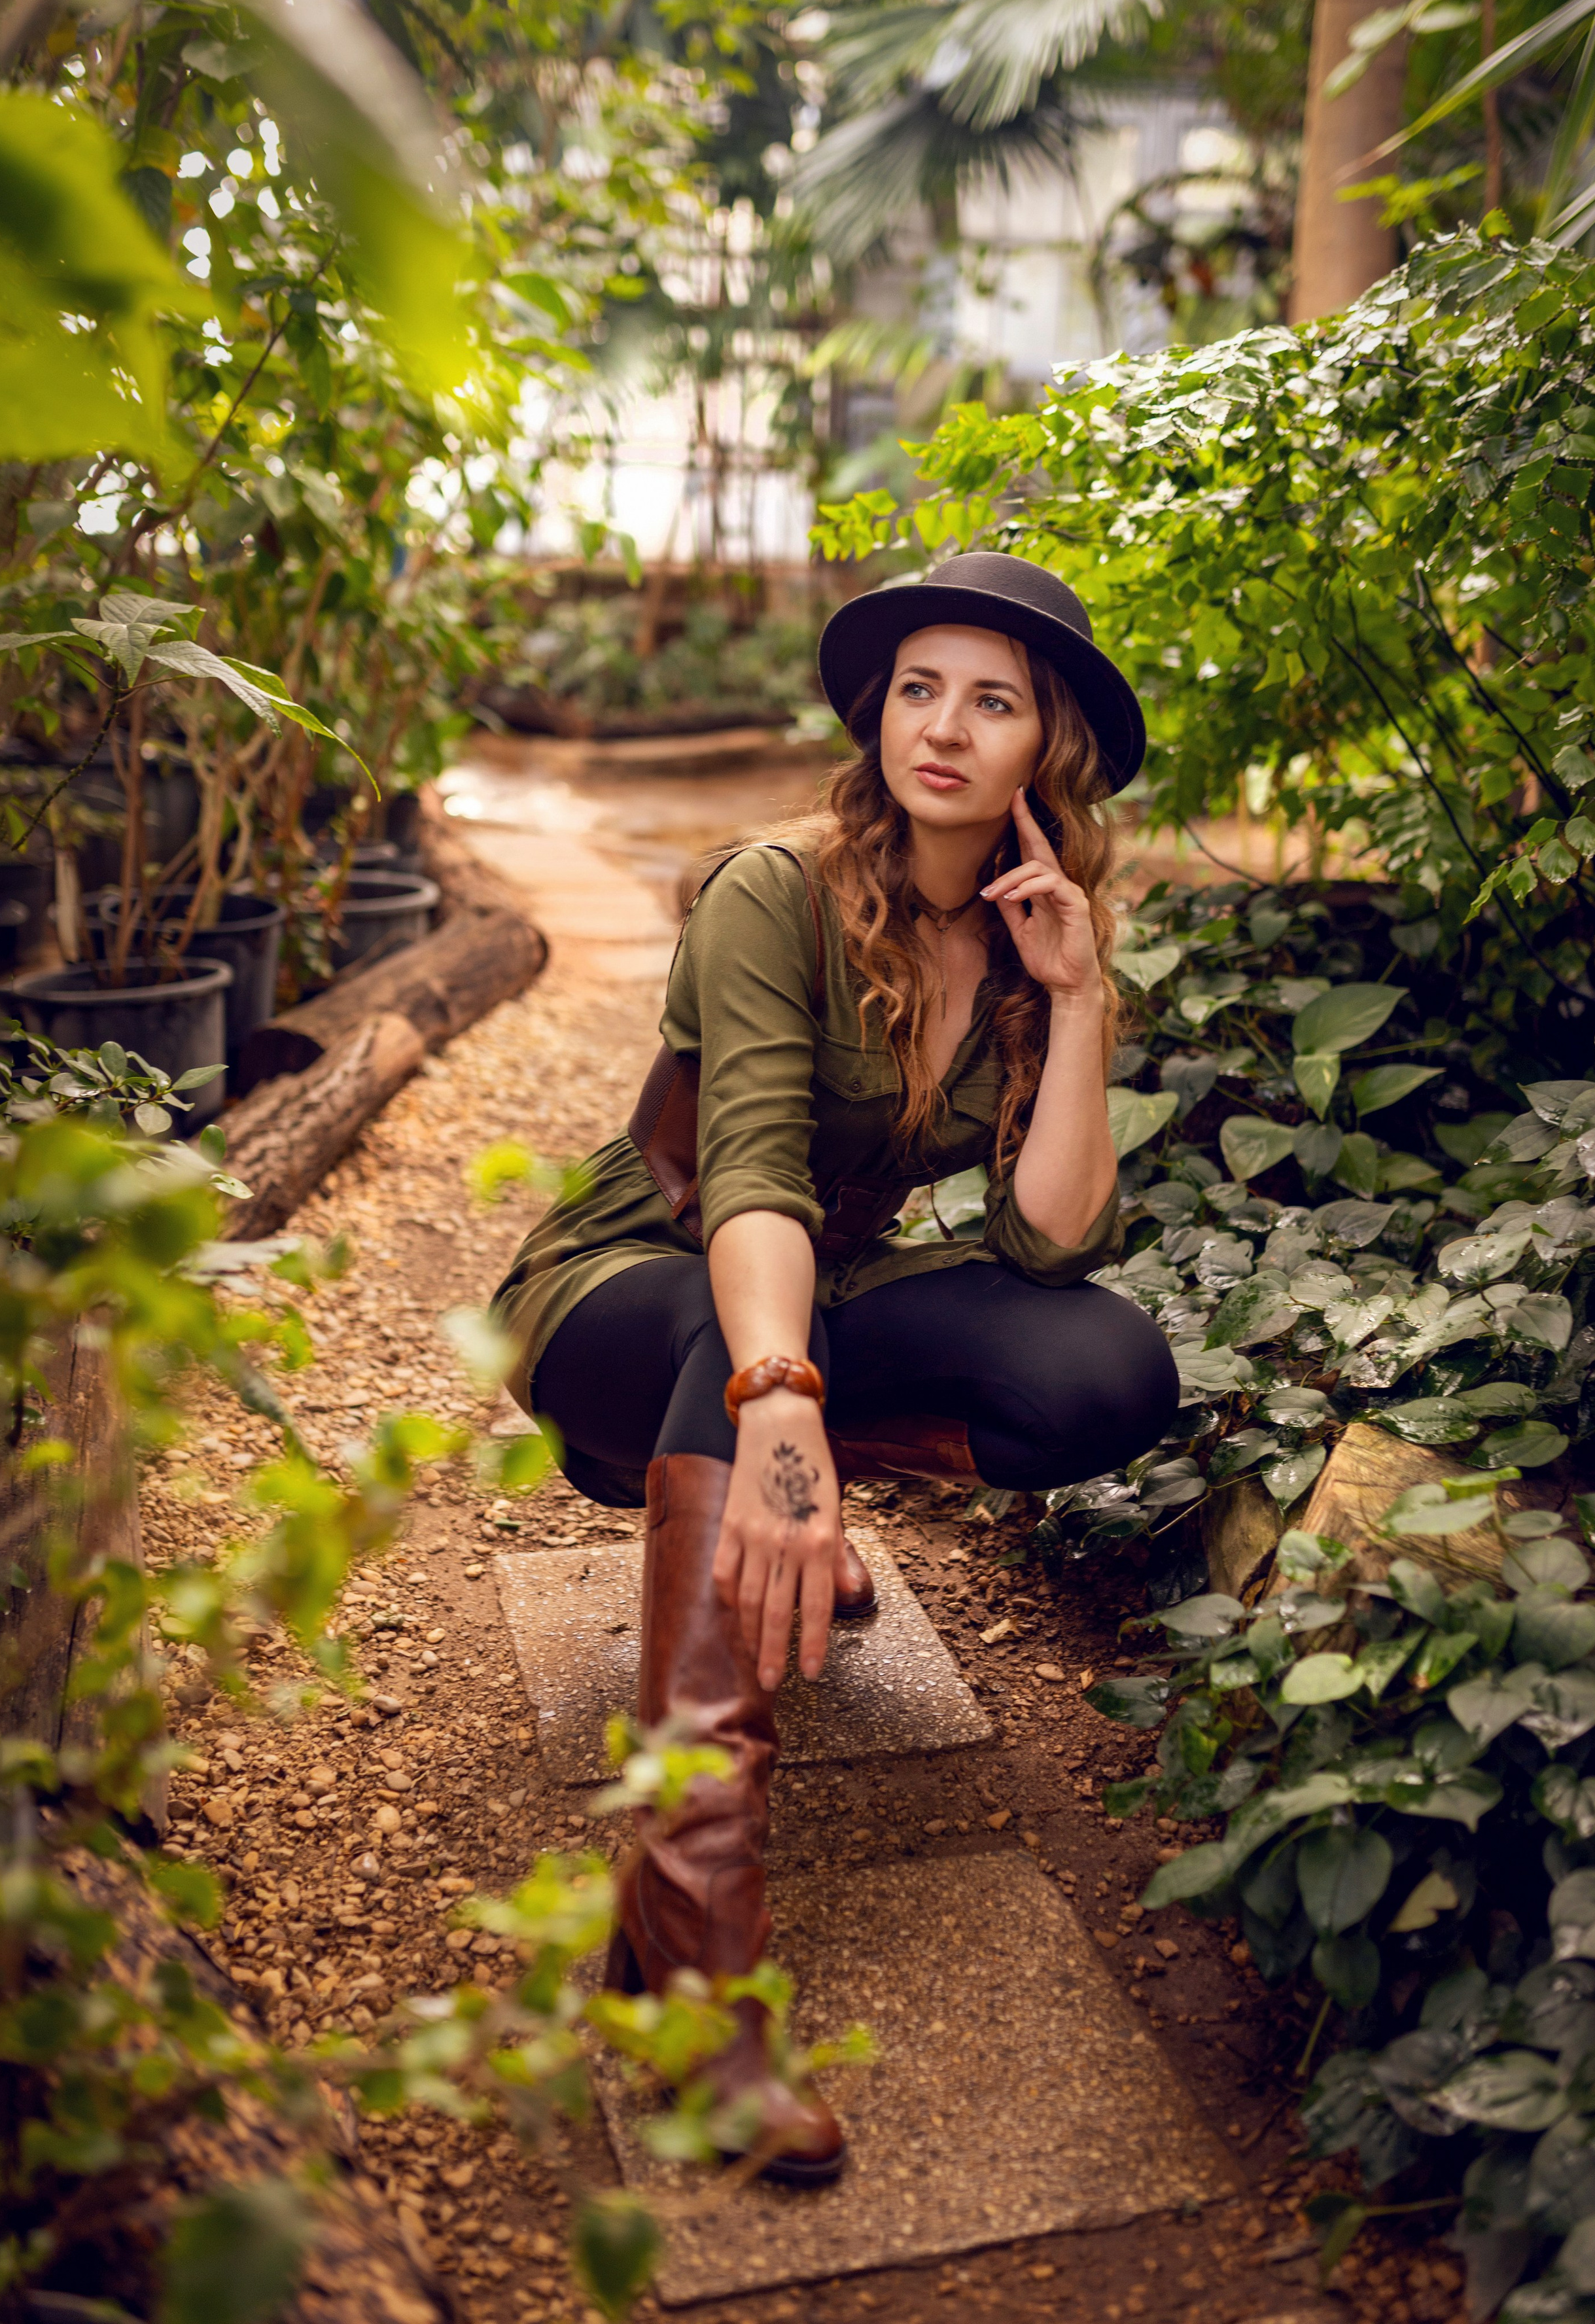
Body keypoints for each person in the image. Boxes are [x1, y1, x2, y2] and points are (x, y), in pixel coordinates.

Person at [493, 550, 1180, 2183]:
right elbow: (739, 1176)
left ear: (1045, 752)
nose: (941, 726)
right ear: (876, 712)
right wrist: (782, 1408)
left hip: (827, 1273)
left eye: (992, 701)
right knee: (709, 1357)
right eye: (917, 688)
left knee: (1105, 1373)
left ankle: (747, 1516)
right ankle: (702, 1990)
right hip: (641, 1272)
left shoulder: (1032, 934)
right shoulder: (770, 888)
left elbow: (1048, 1247)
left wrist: (1075, 1002)